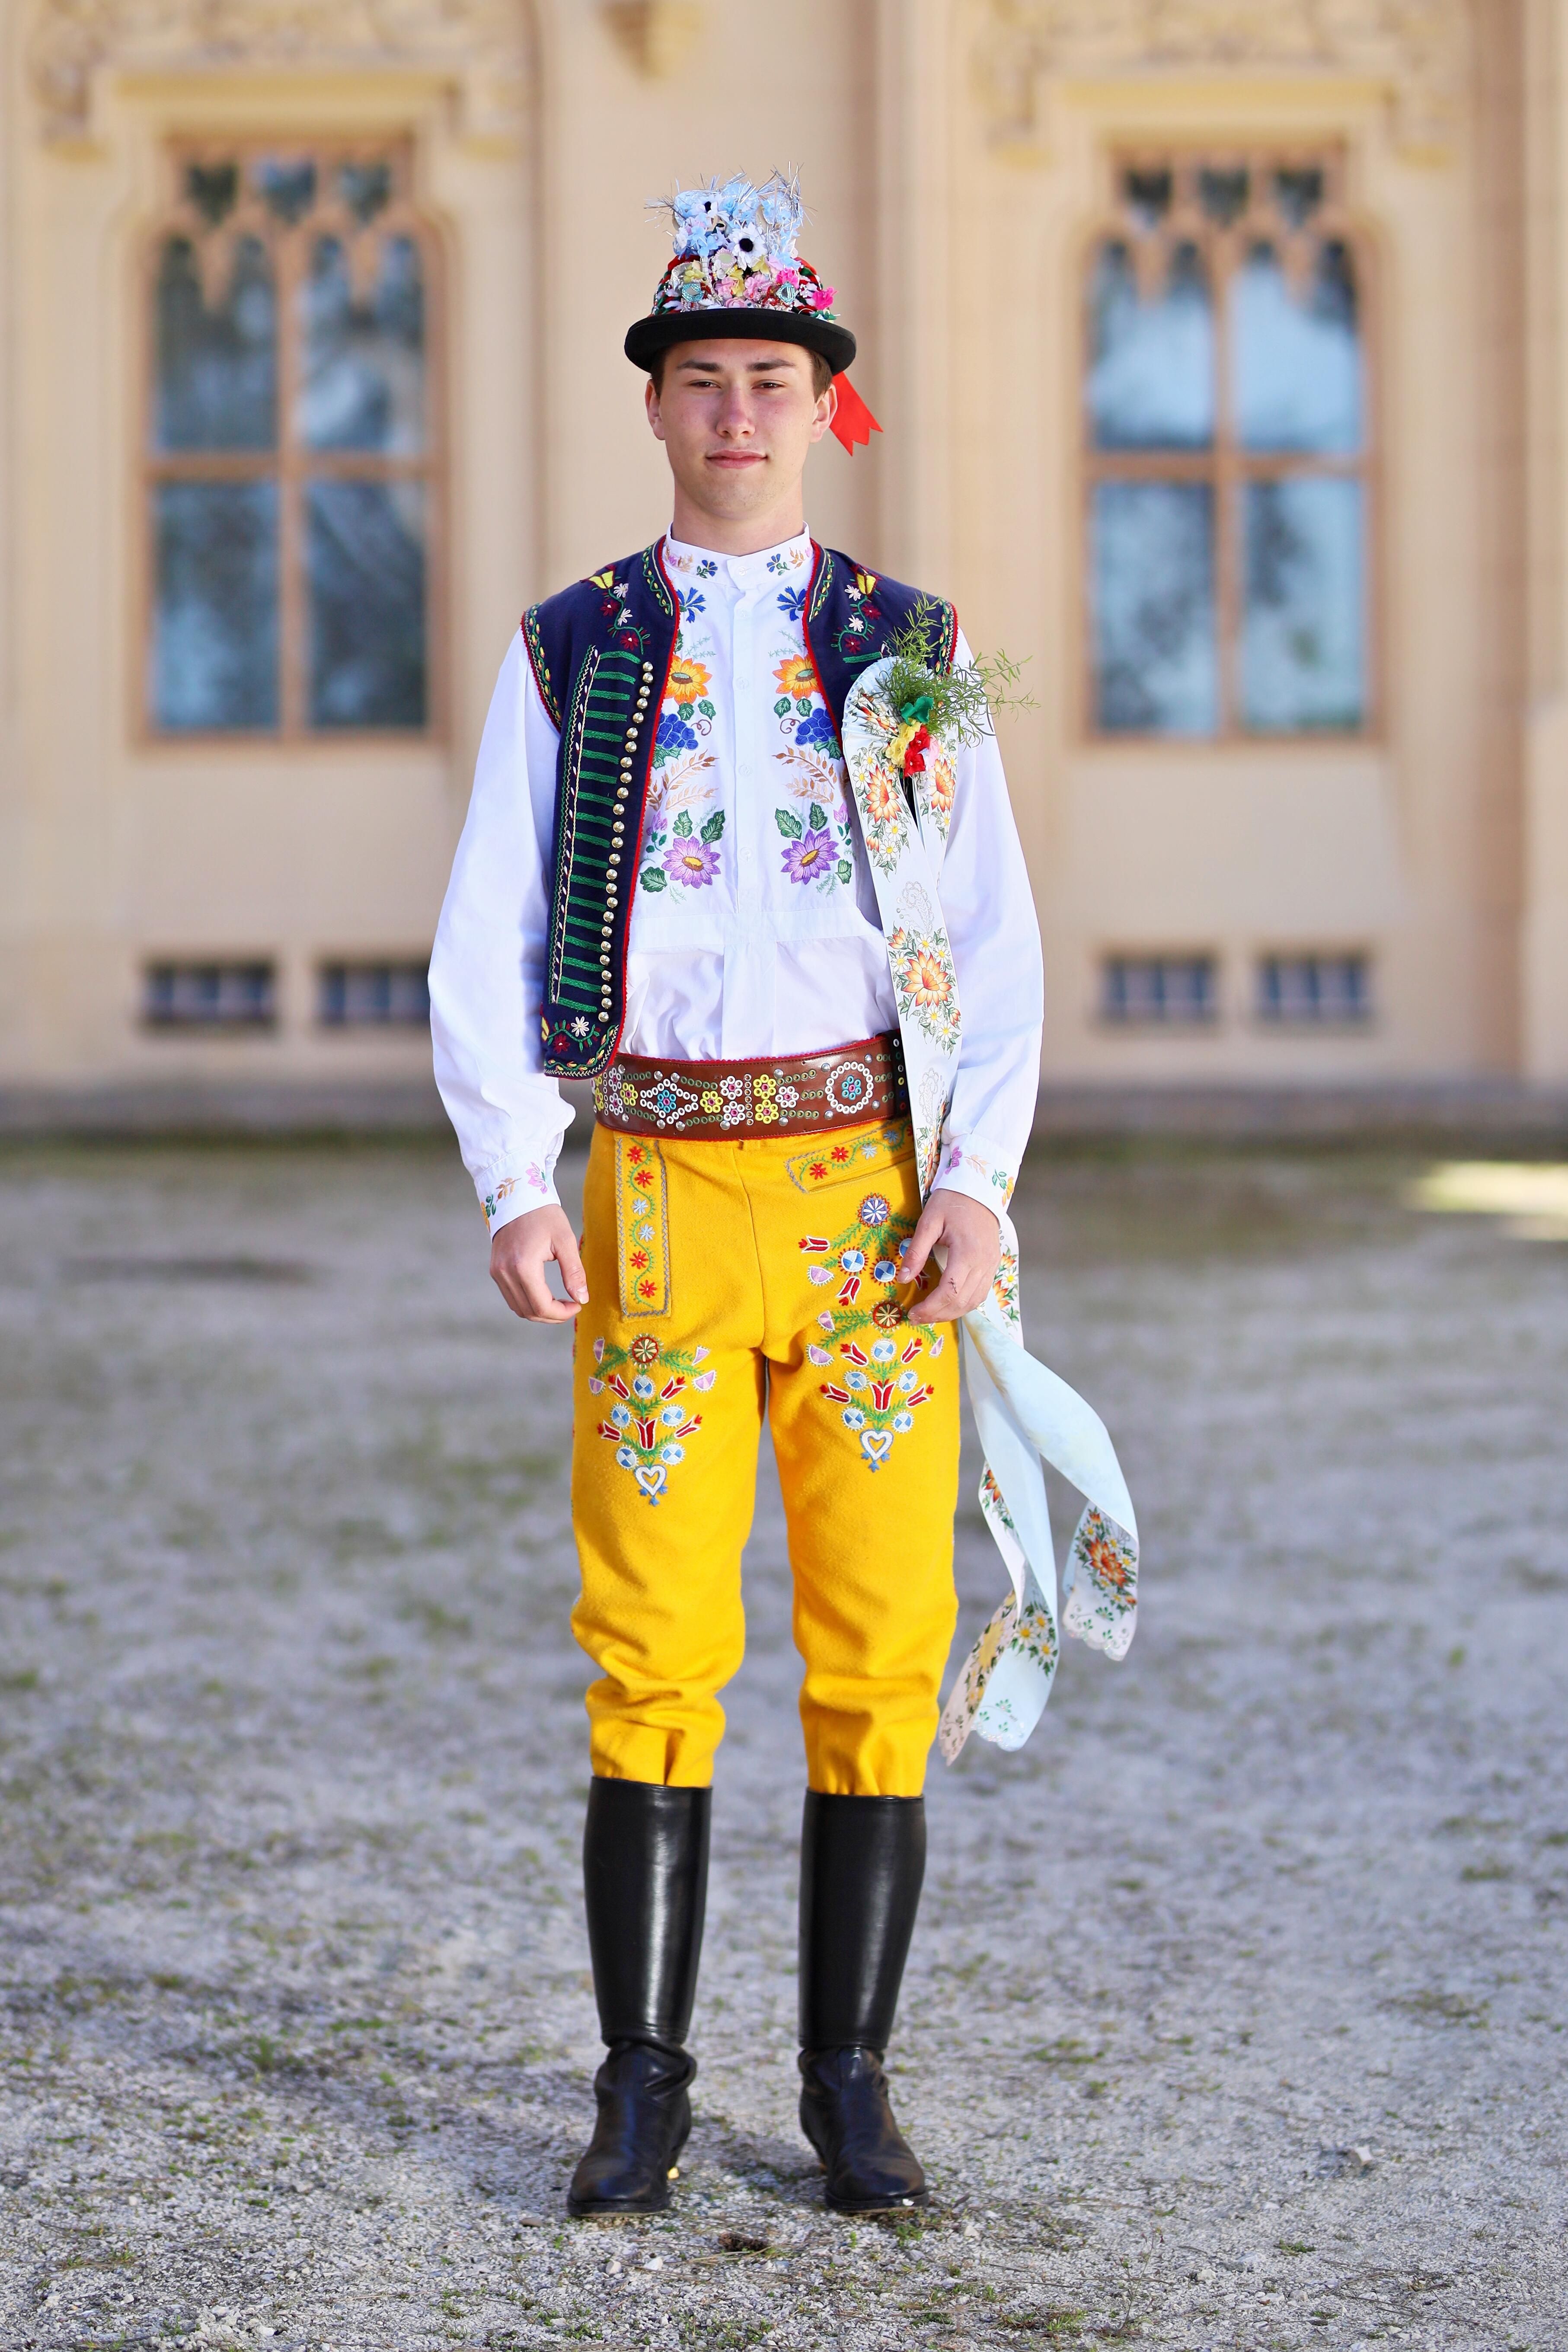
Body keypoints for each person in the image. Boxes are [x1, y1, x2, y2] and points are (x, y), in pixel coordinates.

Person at [428, 172, 1044, 2219]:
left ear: (820, 402)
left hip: (870, 1192)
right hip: (660, 1191)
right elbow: (484, 926)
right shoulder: (575, 648)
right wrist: (517, 1173)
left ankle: (850, 2082)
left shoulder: (909, 653)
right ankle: (642, 2082)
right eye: (703, 379)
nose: (737, 413)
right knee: (652, 1633)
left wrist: (977, 1178)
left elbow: (988, 933)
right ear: (657, 403)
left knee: (880, 1634)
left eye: (771, 380)